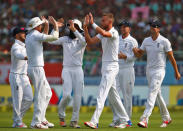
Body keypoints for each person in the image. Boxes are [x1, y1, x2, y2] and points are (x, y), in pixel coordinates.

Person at [83, 13, 130, 129]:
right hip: (106, 66)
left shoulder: (114, 32)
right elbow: (90, 42)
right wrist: (85, 28)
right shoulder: (102, 33)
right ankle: (126, 120)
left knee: (101, 94)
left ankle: (94, 121)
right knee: (113, 96)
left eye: (103, 21)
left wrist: (92, 23)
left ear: (110, 22)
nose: (102, 22)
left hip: (112, 66)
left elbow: (104, 33)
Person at [133, 20, 181, 128]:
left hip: (159, 71)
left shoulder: (164, 41)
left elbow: (171, 58)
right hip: (149, 70)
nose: (152, 28)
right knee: (157, 94)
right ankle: (167, 118)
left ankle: (145, 119)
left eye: (155, 26)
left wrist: (176, 71)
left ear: (159, 29)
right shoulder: (146, 41)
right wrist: (134, 49)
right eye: (151, 26)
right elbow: (139, 54)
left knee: (152, 92)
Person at [49, 19, 86, 128]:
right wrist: (56, 27)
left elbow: (84, 42)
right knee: (66, 95)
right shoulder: (65, 39)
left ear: (79, 28)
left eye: (74, 26)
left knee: (78, 97)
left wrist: (75, 30)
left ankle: (74, 121)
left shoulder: (82, 39)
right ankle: (61, 116)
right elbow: (51, 41)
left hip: (78, 70)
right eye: (70, 26)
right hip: (67, 69)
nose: (71, 28)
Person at [25, 16, 59, 129]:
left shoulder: (31, 35)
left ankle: (42, 119)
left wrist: (47, 25)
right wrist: (55, 26)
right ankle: (35, 122)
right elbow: (54, 37)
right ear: (37, 26)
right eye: (40, 25)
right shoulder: (35, 35)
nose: (41, 26)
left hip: (35, 68)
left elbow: (43, 37)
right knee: (40, 95)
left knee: (48, 93)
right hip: (36, 68)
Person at [109, 20, 138, 127]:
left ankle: (127, 121)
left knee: (127, 96)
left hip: (128, 69)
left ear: (129, 28)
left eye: (125, 27)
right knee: (113, 94)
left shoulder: (133, 41)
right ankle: (116, 118)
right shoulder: (116, 39)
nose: (122, 28)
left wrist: (125, 57)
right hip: (117, 69)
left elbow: (136, 57)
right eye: (121, 27)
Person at [9, 27, 33, 128]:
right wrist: (26, 57)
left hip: (24, 76)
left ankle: (17, 119)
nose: (24, 34)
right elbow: (18, 55)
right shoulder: (15, 46)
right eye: (22, 32)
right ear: (16, 35)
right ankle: (18, 122)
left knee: (29, 98)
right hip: (16, 76)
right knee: (17, 99)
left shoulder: (25, 46)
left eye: (24, 32)